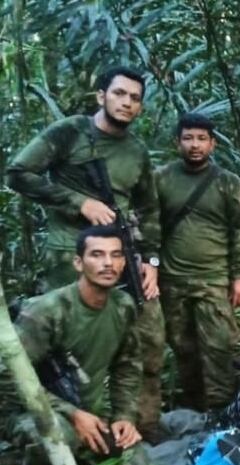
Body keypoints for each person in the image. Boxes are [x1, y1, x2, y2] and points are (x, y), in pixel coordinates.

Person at [6, 65, 165, 438]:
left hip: (123, 255)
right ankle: (65, 427)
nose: (126, 103)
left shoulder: (136, 152)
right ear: (101, 96)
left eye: (135, 98)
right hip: (70, 257)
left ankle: (139, 426)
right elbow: (18, 173)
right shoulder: (70, 133)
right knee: (64, 347)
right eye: (119, 94)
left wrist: (152, 261)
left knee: (147, 337)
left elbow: (150, 210)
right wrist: (78, 202)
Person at [8, 226, 143, 465]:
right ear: (78, 263)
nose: (108, 263)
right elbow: (8, 379)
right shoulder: (46, 312)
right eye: (97, 255)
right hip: (32, 410)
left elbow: (127, 366)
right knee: (57, 435)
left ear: (124, 262)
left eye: (116, 255)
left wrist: (124, 416)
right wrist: (71, 413)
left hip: (88, 411)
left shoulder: (123, 305)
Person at [155, 113, 240, 412]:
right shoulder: (161, 178)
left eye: (201, 139)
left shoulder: (227, 182)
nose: (194, 145)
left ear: (212, 144)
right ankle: (195, 410)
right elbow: (147, 226)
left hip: (214, 279)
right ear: (177, 142)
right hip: (172, 279)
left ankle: (223, 410)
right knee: (184, 348)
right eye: (188, 138)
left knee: (219, 348)